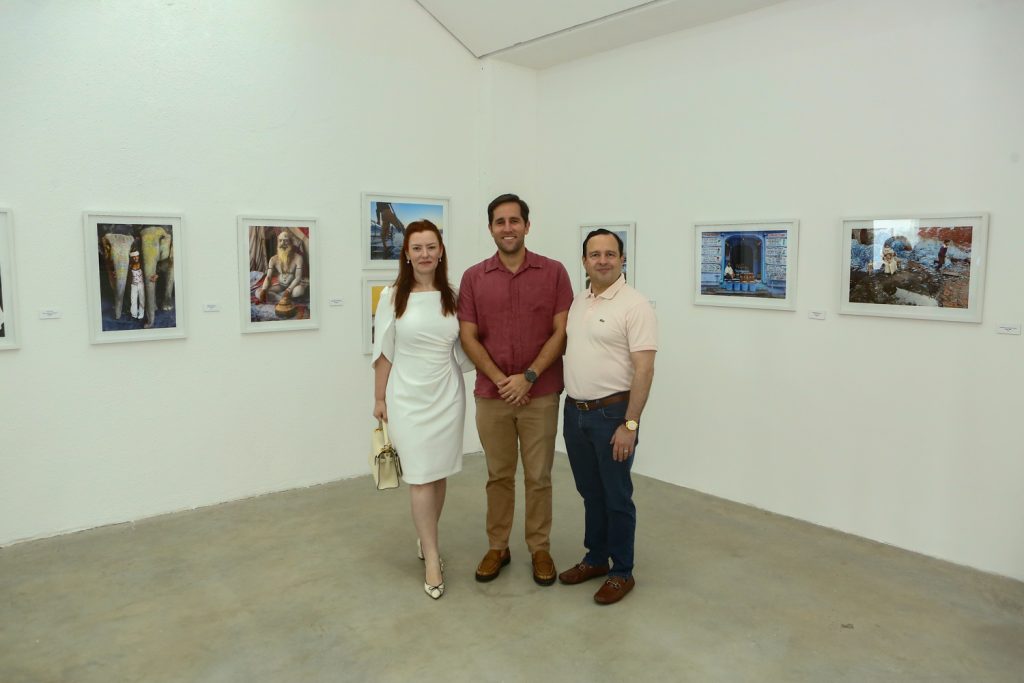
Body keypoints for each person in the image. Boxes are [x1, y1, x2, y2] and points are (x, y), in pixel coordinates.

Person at [458, 193, 573, 586]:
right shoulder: (474, 277)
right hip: (492, 397)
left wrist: (529, 376)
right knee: (498, 475)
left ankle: (540, 548)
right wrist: (501, 379)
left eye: (514, 221)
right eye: (499, 222)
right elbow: (468, 336)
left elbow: (561, 331)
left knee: (539, 476)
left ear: (527, 225)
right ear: (490, 228)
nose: (507, 228)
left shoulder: (554, 272)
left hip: (540, 394)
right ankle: (498, 547)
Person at [559, 229, 657, 605]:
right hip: (576, 413)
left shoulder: (635, 306)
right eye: (594, 254)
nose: (602, 260)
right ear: (584, 261)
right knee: (590, 493)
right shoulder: (579, 302)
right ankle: (596, 558)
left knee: (617, 496)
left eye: (610, 254)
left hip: (613, 414)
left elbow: (644, 370)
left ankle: (622, 571)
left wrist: (630, 424)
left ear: (622, 259)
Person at [371, 220, 467, 600]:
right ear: (406, 253)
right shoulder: (393, 296)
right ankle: (431, 555)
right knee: (421, 477)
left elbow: (467, 346)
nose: (425, 254)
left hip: (447, 394)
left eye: (431, 246)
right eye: (417, 248)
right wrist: (378, 399)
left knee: (438, 473)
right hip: (407, 396)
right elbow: (383, 351)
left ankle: (425, 538)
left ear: (440, 250)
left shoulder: (453, 295)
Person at [256, 231, 307, 304]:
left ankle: (279, 297)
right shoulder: (273, 259)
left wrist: (288, 290)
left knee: (300, 290)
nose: (283, 243)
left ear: (291, 243)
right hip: (280, 286)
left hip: (292, 287)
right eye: (280, 241)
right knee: (258, 292)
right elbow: (268, 277)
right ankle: (284, 299)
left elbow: (298, 278)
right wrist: (264, 290)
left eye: (286, 241)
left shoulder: (298, 258)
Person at [128, 251, 145, 320]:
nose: (135, 258)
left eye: (137, 256)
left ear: (138, 256)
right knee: (133, 300)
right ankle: (134, 314)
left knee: (142, 300)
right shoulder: (130, 266)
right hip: (133, 285)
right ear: (132, 258)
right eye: (133, 257)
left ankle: (141, 314)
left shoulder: (142, 265)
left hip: (141, 285)